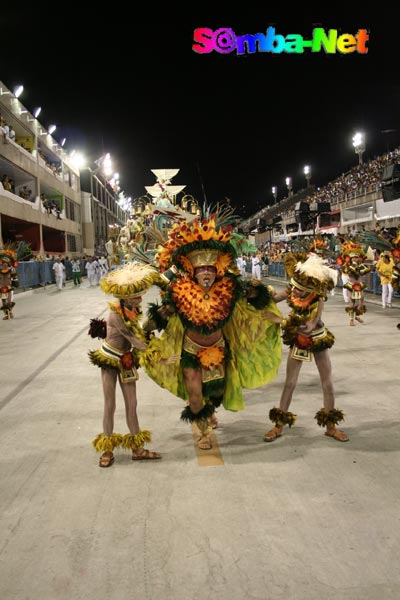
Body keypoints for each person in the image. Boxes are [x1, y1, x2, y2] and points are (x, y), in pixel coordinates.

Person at [141, 209, 283, 450]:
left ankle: (210, 410)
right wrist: (146, 327)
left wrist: (263, 294)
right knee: (195, 395)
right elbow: (162, 316)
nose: (206, 273)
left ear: (217, 271)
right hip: (190, 352)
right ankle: (203, 432)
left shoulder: (230, 290)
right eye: (201, 269)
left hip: (219, 350)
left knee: (216, 393)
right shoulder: (178, 293)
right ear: (193, 272)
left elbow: (253, 303)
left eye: (209, 269)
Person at [264, 252, 349, 443]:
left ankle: (331, 426)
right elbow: (274, 298)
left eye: (302, 290)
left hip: (317, 337)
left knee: (327, 382)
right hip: (299, 337)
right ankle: (278, 426)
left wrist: (312, 323)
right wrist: (259, 295)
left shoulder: (317, 291)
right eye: (295, 288)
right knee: (290, 383)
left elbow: (316, 316)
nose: (297, 292)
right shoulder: (293, 287)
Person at [88, 262, 166, 467]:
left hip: (126, 359)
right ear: (125, 297)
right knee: (110, 405)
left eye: (140, 295)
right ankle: (107, 450)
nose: (140, 299)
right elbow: (135, 340)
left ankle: (138, 449)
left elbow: (139, 335)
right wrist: (158, 355)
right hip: (110, 360)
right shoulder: (115, 315)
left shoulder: (133, 309)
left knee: (132, 405)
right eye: (136, 296)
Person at [337, 242, 371, 326]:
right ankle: (351, 320)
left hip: (359, 285)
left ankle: (356, 315)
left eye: (356, 257)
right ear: (350, 258)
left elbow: (365, 272)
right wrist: (354, 266)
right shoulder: (347, 266)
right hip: (351, 285)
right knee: (352, 302)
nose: (355, 258)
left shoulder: (361, 265)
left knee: (361, 300)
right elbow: (349, 273)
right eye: (353, 257)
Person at [0, 246, 18, 319]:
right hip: (1, 288)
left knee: (9, 301)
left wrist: (15, 283)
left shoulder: (11, 271)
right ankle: (6, 315)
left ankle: (10, 312)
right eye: (3, 263)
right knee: (3, 302)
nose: (5, 264)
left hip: (9, 287)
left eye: (6, 263)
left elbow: (15, 279)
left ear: (8, 264)